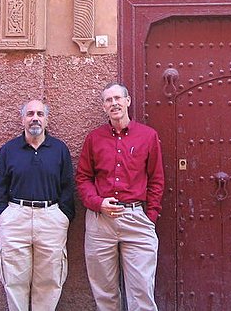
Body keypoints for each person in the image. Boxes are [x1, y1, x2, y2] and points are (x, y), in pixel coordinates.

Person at [76, 82, 165, 311]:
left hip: (136, 219)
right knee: (104, 293)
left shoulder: (148, 136)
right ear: (104, 107)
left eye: (118, 98)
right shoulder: (94, 138)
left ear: (128, 101)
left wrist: (150, 216)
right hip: (100, 222)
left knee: (142, 291)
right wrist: (98, 203)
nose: (114, 103)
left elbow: (156, 179)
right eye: (108, 100)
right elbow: (83, 178)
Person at [0, 99, 75, 311]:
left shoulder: (59, 149)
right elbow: (0, 187)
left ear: (46, 120)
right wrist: (3, 215)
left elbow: (67, 186)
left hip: (51, 218)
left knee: (50, 280)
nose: (35, 118)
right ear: (22, 120)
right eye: (30, 114)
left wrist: (63, 216)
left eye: (40, 114)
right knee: (14, 280)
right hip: (15, 218)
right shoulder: (8, 150)